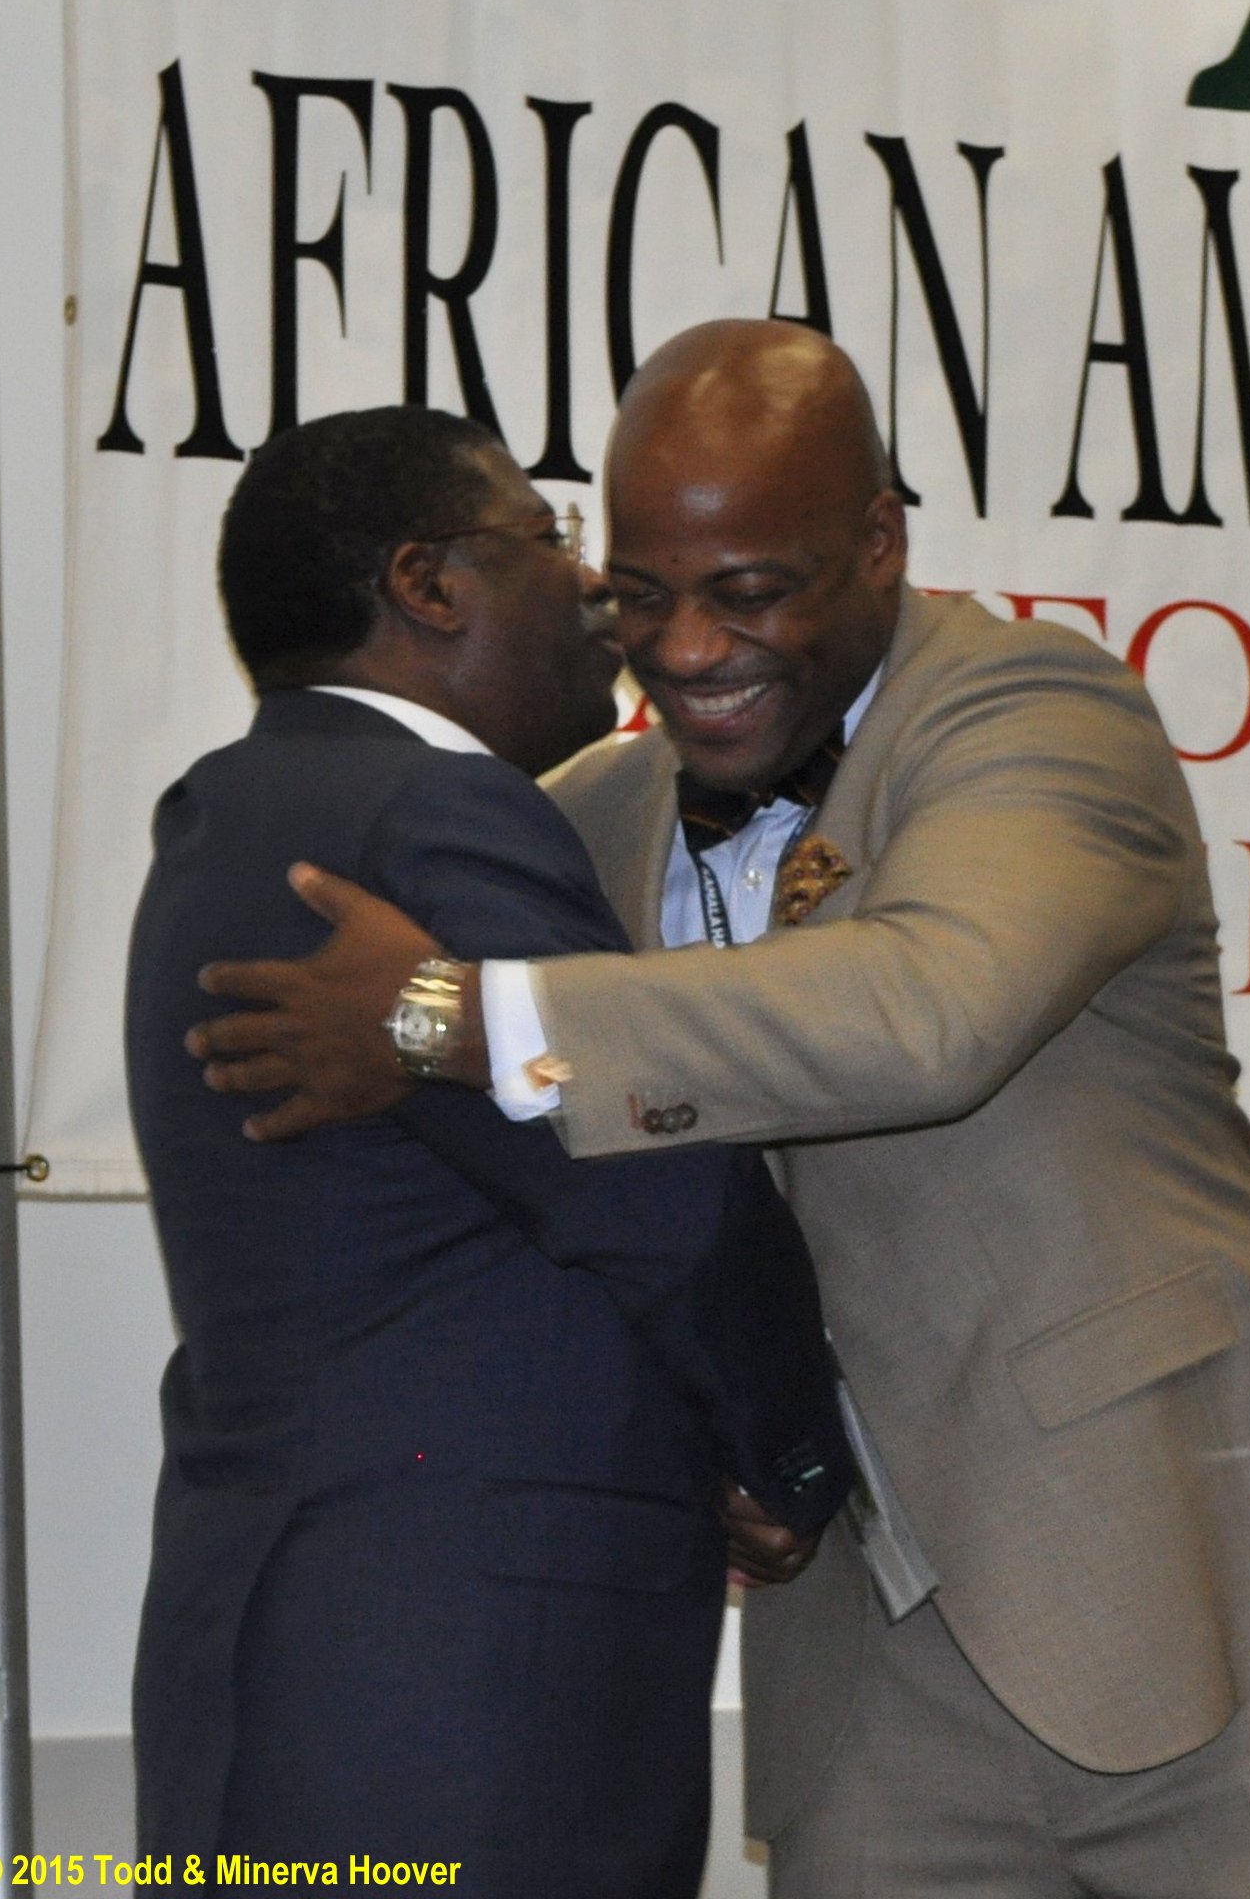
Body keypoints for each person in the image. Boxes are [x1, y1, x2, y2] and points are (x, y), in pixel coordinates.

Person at [185, 323, 1250, 1897]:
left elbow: (933, 1012)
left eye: (750, 590)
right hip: (854, 1657)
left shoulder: (1037, 708)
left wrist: (462, 1016)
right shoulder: (582, 814)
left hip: (1203, 1598)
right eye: (641, 594)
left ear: (879, 544)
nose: (687, 649)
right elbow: (621, 1211)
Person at [124, 406, 853, 1888]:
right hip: (471, 1680)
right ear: (429, 584)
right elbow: (656, 1188)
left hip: (273, 1646)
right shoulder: (437, 813)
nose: (594, 586)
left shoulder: (224, 818)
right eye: (547, 536)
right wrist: (790, 1453)